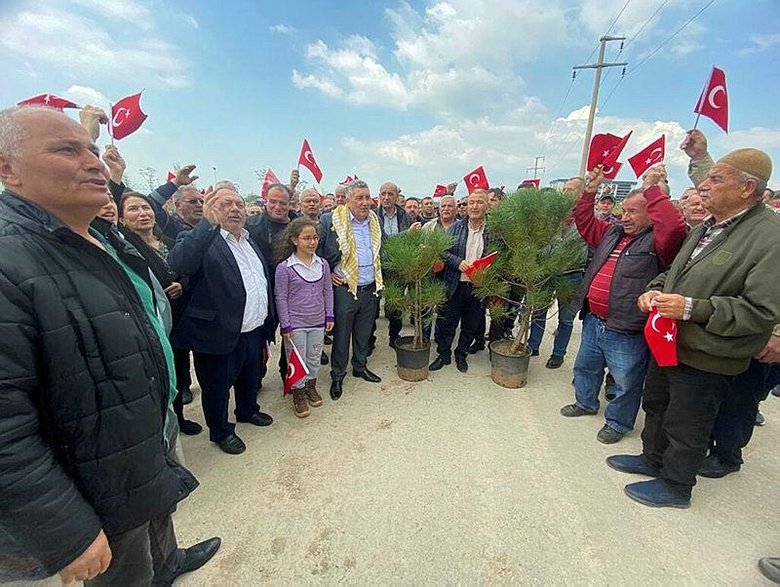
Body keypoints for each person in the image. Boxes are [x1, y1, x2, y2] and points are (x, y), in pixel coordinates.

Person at [0, 106, 220, 585]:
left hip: (135, 447)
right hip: (91, 489)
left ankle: (171, 562)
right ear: (7, 168)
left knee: (155, 528)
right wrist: (66, 531)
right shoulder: (10, 259)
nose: (94, 163)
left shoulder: (96, 238)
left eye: (94, 152)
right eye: (67, 149)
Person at [607, 148, 780, 509]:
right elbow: (676, 274)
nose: (704, 185)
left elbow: (760, 310)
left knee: (688, 420)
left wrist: (692, 308)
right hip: (669, 340)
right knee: (656, 403)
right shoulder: (710, 225)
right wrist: (655, 290)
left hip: (708, 351)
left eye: (716, 179)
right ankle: (651, 460)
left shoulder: (769, 237)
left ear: (747, 188)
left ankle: (676, 485)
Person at [560, 166, 686, 445]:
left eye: (632, 211)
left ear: (650, 213)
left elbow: (675, 226)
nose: (624, 216)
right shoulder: (613, 233)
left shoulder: (659, 242)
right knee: (585, 366)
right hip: (595, 319)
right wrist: (590, 189)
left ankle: (618, 422)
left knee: (626, 380)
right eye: (623, 210)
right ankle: (585, 402)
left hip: (627, 326)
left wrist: (653, 189)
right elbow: (585, 222)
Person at [168, 188, 276, 455]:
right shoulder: (201, 238)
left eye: (240, 203)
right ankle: (221, 431)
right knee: (217, 387)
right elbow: (179, 263)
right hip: (217, 331)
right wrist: (208, 225)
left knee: (250, 377)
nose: (236, 208)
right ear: (211, 207)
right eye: (226, 203)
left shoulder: (250, 241)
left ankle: (247, 409)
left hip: (253, 328)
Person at [317, 180, 384, 400]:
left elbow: (384, 246)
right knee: (342, 335)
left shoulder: (375, 220)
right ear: (347, 200)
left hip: (369, 287)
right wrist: (327, 273)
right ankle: (338, 375)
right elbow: (314, 251)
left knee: (364, 333)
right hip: (344, 289)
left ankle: (360, 366)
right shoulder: (330, 220)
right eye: (359, 198)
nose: (365, 203)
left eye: (367, 197)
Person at [274, 218, 334, 417]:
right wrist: (286, 326)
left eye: (315, 237)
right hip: (296, 324)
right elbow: (280, 297)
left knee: (314, 357)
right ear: (294, 240)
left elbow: (327, 291)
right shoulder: (285, 268)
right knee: (296, 360)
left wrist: (329, 315)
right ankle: (298, 393)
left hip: (317, 321)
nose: (312, 242)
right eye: (306, 238)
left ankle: (311, 385)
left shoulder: (323, 264)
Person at [429, 189, 491, 373]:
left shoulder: (492, 230)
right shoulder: (456, 227)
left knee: (471, 324)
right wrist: (458, 262)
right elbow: (443, 252)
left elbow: (498, 254)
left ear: (486, 206)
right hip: (456, 283)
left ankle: (461, 354)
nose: (474, 206)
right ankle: (444, 355)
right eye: (471, 202)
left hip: (478, 286)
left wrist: (486, 268)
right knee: (448, 322)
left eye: (479, 202)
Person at [374, 181, 413, 349]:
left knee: (395, 305)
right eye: (383, 193)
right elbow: (383, 241)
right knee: (372, 305)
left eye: (390, 194)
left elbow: (411, 242)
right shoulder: (372, 216)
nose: (386, 197)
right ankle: (369, 340)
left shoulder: (405, 216)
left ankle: (393, 336)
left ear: (397, 196)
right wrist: (406, 234)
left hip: (397, 267)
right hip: (377, 267)